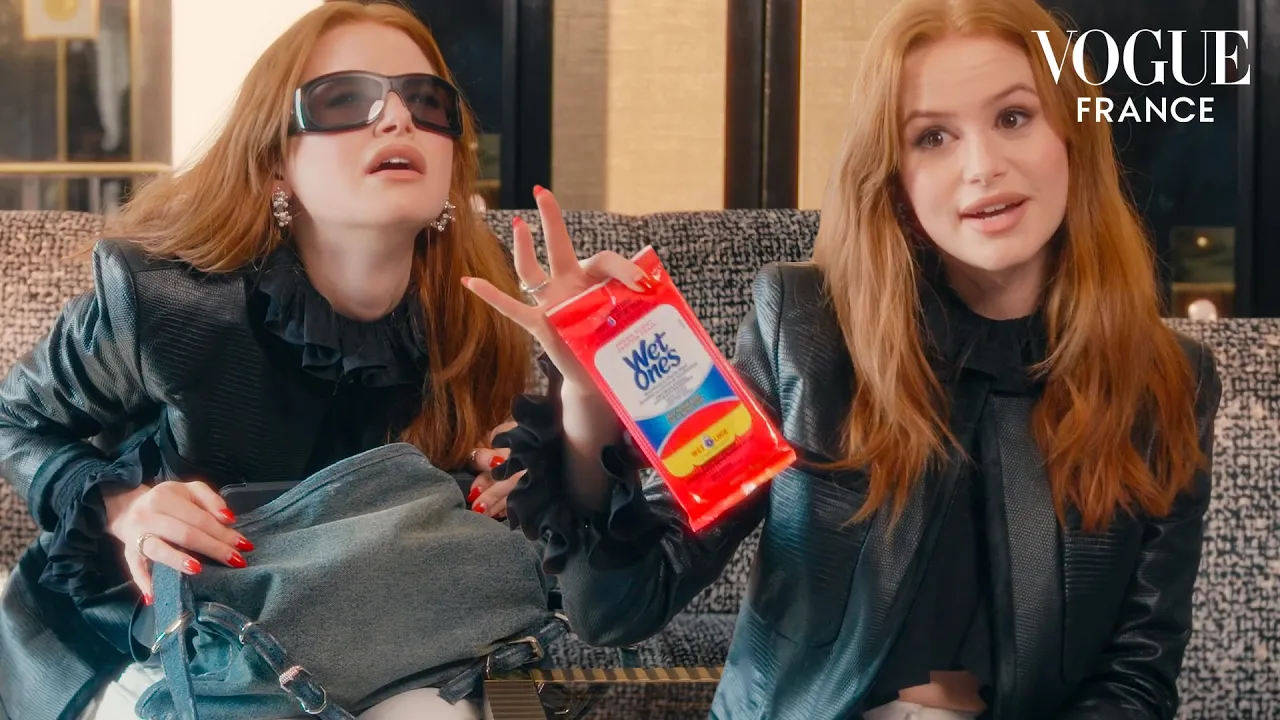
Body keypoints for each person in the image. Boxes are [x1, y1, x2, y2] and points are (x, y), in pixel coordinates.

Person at [463, 0, 1223, 717]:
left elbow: (1135, 678)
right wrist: (586, 395)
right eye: (933, 137)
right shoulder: (806, 330)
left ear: (1074, 140)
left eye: (1014, 117)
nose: (983, 165)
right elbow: (620, 607)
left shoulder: (1168, 384)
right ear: (894, 180)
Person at [0, 2, 533, 718]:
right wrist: (125, 506)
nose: (397, 119)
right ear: (277, 163)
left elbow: (455, 486)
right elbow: (12, 421)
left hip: (368, 632)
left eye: (427, 100)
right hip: (147, 631)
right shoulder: (163, 299)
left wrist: (499, 480)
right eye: (344, 99)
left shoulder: (480, 310)